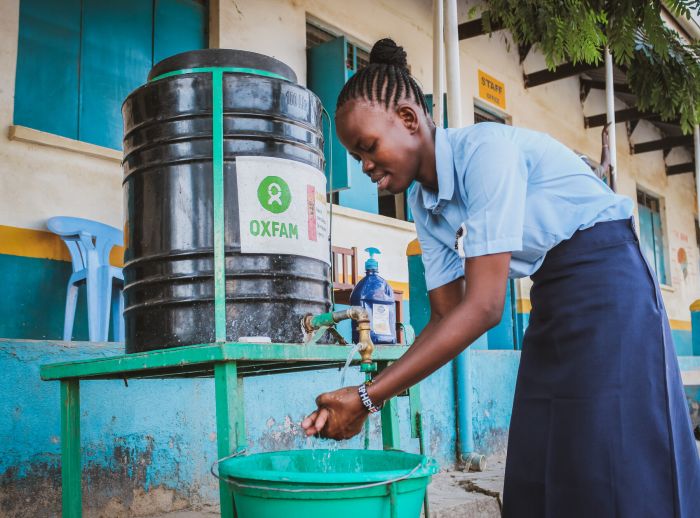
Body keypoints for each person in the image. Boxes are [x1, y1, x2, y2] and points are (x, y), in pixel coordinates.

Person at [301, 38, 700, 517]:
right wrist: (369, 395)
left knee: (612, 447)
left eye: (368, 148)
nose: (364, 166)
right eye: (357, 155)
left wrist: (367, 398)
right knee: (541, 447)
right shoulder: (424, 206)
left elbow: (485, 307)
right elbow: (447, 318)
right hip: (553, 290)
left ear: (408, 120)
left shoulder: (485, 152)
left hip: (612, 281)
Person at [580, 122, 613, 186]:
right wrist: (603, 136)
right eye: (587, 163)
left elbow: (603, 164)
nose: (588, 165)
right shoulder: (590, 177)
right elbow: (606, 162)